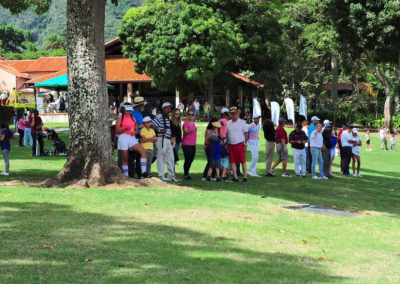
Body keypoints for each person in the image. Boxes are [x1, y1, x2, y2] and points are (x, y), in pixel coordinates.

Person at [116, 103, 150, 178]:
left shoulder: (133, 118)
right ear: (124, 110)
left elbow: (137, 130)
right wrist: (125, 129)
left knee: (143, 151)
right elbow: (117, 131)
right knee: (125, 158)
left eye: (130, 111)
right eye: (127, 111)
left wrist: (134, 132)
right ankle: (126, 175)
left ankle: (143, 172)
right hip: (123, 137)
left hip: (132, 137)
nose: (129, 112)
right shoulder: (120, 118)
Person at [151, 102, 176, 182]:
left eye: (170, 108)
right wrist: (159, 130)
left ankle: (170, 176)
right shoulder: (159, 116)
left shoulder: (167, 117)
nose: (169, 109)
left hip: (167, 139)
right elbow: (152, 125)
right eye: (167, 108)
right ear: (163, 108)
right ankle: (161, 176)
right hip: (161, 139)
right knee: (161, 157)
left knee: (170, 158)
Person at [226, 107, 248, 183]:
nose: (234, 114)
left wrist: (245, 144)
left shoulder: (242, 122)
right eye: (232, 113)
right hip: (231, 145)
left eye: (235, 113)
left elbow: (246, 134)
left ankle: (245, 177)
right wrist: (226, 144)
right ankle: (235, 177)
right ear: (230, 115)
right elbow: (226, 134)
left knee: (243, 161)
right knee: (232, 161)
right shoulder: (228, 123)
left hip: (240, 144)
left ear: (238, 113)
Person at [131, 96, 146, 178]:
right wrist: (141, 126)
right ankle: (132, 173)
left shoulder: (140, 113)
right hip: (134, 136)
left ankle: (140, 173)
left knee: (139, 155)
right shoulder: (133, 112)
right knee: (133, 156)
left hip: (139, 136)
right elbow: (133, 125)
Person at [181, 109, 197, 180]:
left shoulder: (193, 123)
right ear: (187, 115)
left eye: (192, 115)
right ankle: (185, 174)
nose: (190, 116)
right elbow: (185, 132)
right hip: (186, 144)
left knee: (191, 158)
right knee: (187, 159)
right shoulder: (185, 123)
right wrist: (192, 131)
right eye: (189, 114)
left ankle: (187, 172)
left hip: (193, 144)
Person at [263, 112, 276, 177]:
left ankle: (268, 170)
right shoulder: (270, 124)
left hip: (267, 140)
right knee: (269, 157)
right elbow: (273, 132)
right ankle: (268, 171)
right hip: (271, 141)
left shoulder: (264, 124)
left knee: (268, 156)